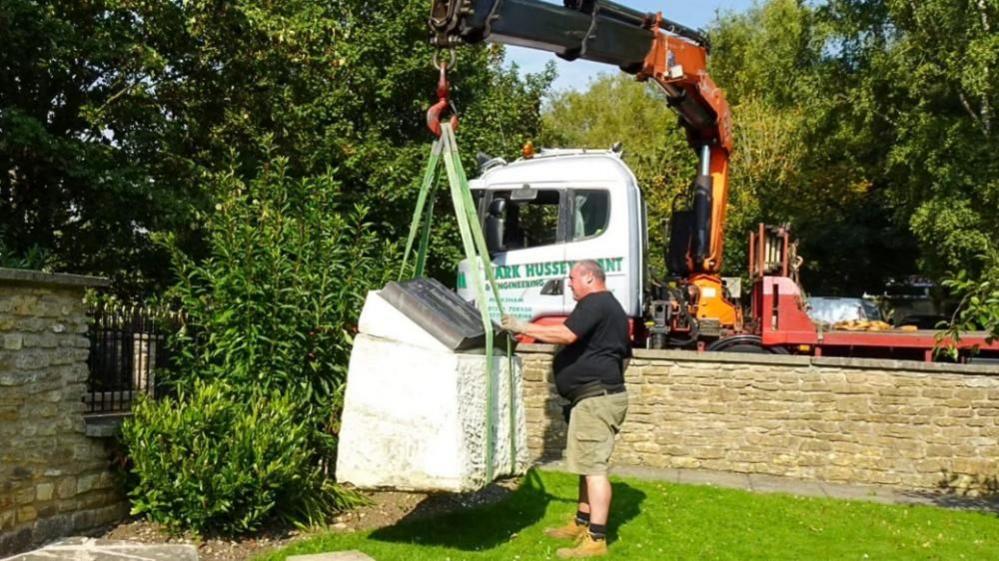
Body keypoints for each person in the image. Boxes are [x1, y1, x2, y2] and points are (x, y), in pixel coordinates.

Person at [501, 260, 630, 559]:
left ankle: (596, 539)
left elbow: (565, 334)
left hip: (597, 399)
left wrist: (522, 326)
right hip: (596, 397)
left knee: (595, 468)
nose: (569, 283)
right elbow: (624, 357)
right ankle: (581, 522)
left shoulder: (595, 302)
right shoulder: (610, 307)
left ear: (588, 277)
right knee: (587, 464)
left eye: (572, 278)